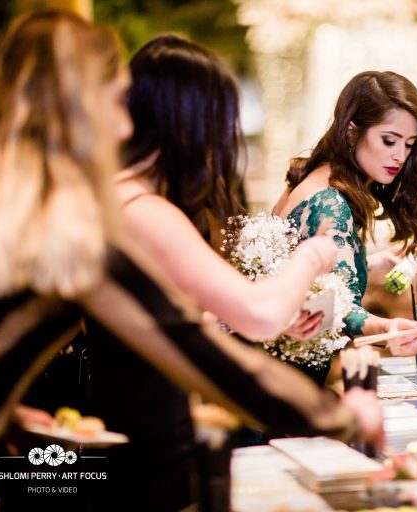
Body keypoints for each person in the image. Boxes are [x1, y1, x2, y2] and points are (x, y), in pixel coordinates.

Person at [0, 10, 380, 510]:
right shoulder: (82, 233)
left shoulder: (12, 215)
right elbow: (205, 350)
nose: (127, 125)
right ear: (74, 114)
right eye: (115, 103)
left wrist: (1, 410)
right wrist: (341, 416)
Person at [89, 34, 347, 506]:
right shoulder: (143, 210)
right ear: (193, 124)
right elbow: (258, 315)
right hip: (142, 447)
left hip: (127, 434)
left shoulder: (117, 197)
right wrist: (313, 255)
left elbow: (172, 321)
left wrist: (274, 315)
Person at [273, 71, 417, 381]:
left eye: (409, 144)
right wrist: (387, 328)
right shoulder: (330, 203)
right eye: (389, 140)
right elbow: (339, 307)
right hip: (289, 387)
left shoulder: (310, 179)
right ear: (351, 133)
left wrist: (373, 262)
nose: (400, 156)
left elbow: (310, 279)